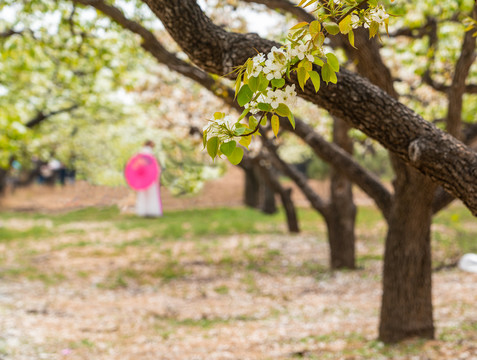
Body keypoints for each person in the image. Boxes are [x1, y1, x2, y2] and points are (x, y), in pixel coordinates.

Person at [135, 140, 163, 217]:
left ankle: (143, 211)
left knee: (143, 194)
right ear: (151, 145)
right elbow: (155, 166)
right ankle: (152, 211)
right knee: (152, 193)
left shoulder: (139, 153)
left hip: (143, 177)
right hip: (151, 177)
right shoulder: (151, 153)